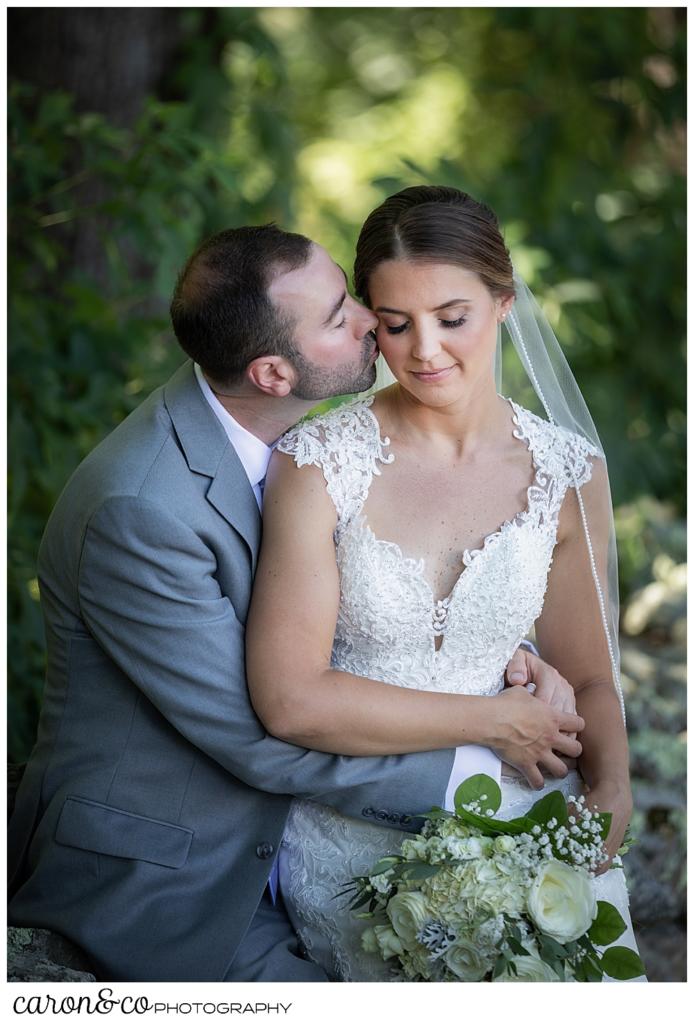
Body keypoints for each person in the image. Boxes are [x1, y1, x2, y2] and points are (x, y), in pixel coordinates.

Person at [7, 223, 580, 983]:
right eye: (341, 315)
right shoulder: (141, 510)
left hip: (308, 836)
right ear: (276, 373)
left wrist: (504, 653)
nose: (373, 320)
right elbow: (258, 731)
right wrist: (479, 776)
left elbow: (353, 618)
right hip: (178, 880)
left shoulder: (299, 448)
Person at [245, 186, 643, 981]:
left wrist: (615, 784)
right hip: (355, 842)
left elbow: (592, 674)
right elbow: (290, 700)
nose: (424, 350)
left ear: (504, 303)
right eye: (395, 325)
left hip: (529, 826)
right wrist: (496, 721)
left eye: (451, 317)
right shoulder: (320, 465)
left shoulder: (568, 473)